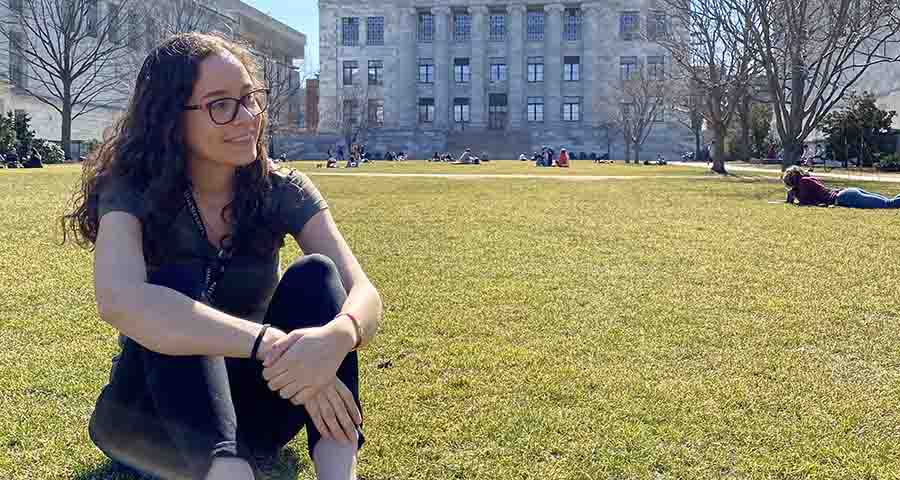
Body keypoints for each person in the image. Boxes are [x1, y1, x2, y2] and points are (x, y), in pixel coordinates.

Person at [60, 33, 382, 480]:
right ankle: (228, 473)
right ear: (172, 118)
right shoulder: (131, 188)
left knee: (317, 275)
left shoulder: (282, 190)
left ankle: (337, 471)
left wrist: (335, 338)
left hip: (259, 405)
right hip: (151, 415)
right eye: (220, 104)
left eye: (250, 98)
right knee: (172, 290)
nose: (248, 117)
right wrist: (270, 342)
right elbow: (120, 299)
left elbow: (364, 293)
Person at [782, 166, 900, 208]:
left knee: (888, 204)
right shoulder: (807, 180)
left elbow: (807, 202)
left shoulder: (804, 182)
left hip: (843, 197)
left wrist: (793, 197)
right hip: (848, 193)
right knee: (888, 201)